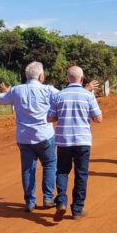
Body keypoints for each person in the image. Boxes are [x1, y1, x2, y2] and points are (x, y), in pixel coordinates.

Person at [0, 61, 59, 212]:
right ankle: (48, 198)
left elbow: (1, 99)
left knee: (28, 169)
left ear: (26, 75)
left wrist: (5, 92)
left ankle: (30, 202)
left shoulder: (17, 90)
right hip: (45, 135)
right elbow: (63, 98)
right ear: (40, 76)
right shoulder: (48, 90)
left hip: (24, 138)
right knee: (49, 165)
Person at [47, 66, 103, 221]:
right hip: (82, 140)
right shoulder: (88, 96)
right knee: (81, 174)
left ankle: (62, 202)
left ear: (67, 79)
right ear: (82, 79)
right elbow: (98, 119)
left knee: (62, 171)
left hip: (63, 140)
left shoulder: (59, 95)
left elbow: (50, 118)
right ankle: (77, 209)